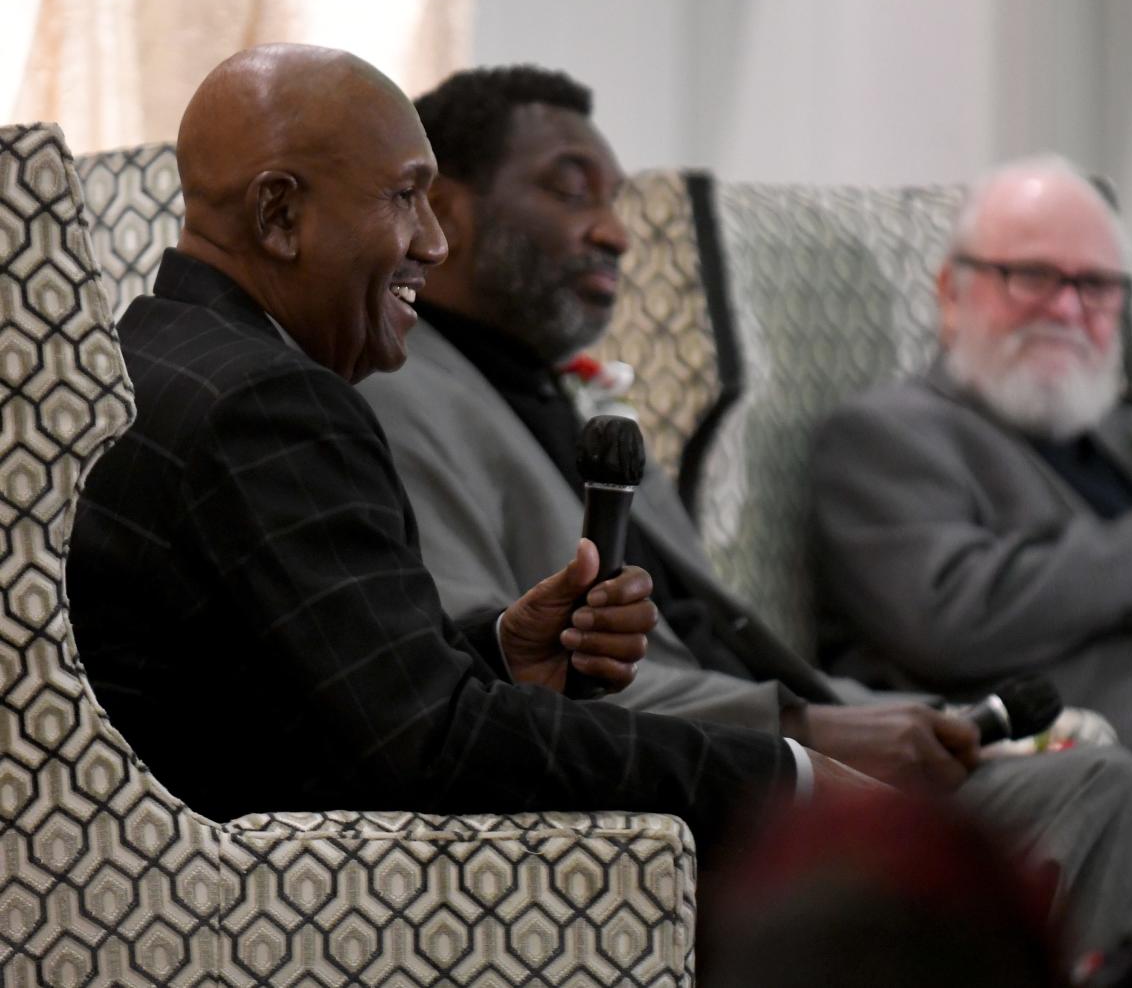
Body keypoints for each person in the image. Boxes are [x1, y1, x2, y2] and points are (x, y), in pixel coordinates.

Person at [356, 65, 1132, 955]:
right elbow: (478, 677)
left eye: (618, 199)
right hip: (687, 780)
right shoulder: (399, 395)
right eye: (571, 189)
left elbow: (706, 633)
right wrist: (803, 729)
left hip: (778, 734)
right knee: (1100, 793)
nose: (617, 233)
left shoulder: (575, 404)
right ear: (447, 210)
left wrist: (925, 722)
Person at [66, 44, 872, 860]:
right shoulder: (270, 403)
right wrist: (785, 779)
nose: (434, 244)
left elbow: (309, 686)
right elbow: (432, 746)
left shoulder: (156, 353)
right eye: (406, 197)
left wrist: (499, 651)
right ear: (280, 216)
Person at [810, 153, 1132, 763]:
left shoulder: (1123, 435)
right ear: (951, 293)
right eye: (1033, 276)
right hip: (1084, 775)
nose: (1067, 310)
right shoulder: (884, 436)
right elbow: (947, 620)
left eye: (1094, 285)